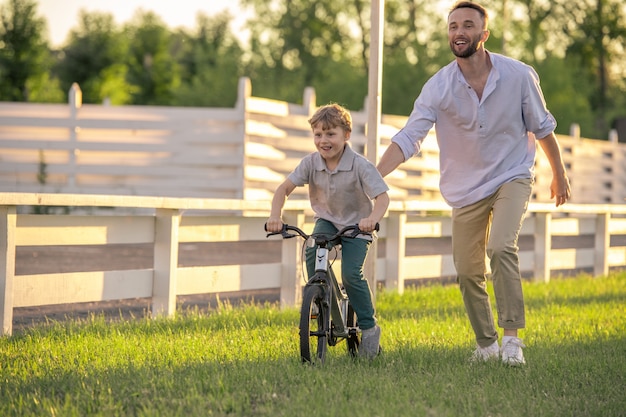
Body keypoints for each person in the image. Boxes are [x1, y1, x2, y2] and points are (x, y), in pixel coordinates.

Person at [376, 1, 571, 366]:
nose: (459, 32)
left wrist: (559, 173)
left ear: (484, 34)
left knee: (500, 247)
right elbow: (409, 138)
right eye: (452, 26)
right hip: (465, 187)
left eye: (467, 25)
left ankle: (512, 341)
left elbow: (543, 128)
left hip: (512, 173)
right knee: (467, 271)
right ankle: (486, 346)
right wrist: (373, 174)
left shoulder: (518, 76)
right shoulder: (438, 86)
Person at [266, 103, 390, 359]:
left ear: (346, 135)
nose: (324, 140)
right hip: (328, 220)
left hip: (357, 224)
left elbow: (383, 198)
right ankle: (322, 298)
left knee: (351, 274)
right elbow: (283, 189)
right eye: (318, 135)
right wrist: (275, 216)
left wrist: (372, 219)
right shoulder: (310, 163)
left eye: (330, 134)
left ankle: (368, 328)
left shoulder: (359, 165)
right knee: (311, 250)